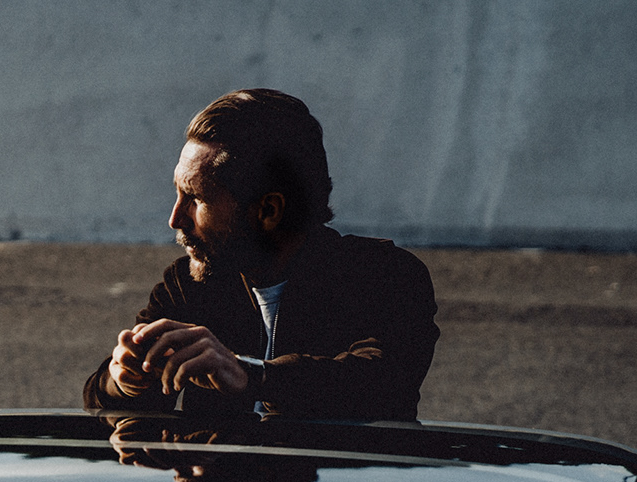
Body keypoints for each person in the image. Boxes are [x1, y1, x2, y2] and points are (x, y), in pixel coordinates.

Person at [84, 89, 438, 422]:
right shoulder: (188, 283)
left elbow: (381, 384)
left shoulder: (384, 275)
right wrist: (125, 381)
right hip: (220, 471)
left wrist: (252, 376)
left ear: (268, 210)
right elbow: (106, 404)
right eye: (177, 194)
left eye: (196, 199)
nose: (175, 219)